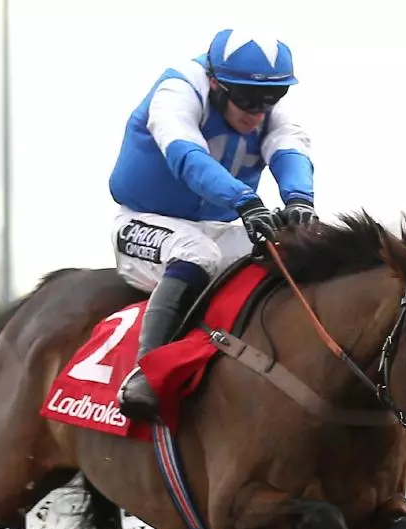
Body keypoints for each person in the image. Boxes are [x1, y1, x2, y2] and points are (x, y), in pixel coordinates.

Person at [107, 28, 318, 421]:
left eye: (271, 98)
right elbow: (187, 157)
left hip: (219, 226)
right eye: (247, 97)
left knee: (288, 254)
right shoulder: (177, 92)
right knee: (196, 252)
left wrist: (299, 200)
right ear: (215, 84)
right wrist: (246, 201)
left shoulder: (271, 110)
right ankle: (147, 373)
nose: (258, 111)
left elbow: (290, 149)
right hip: (145, 221)